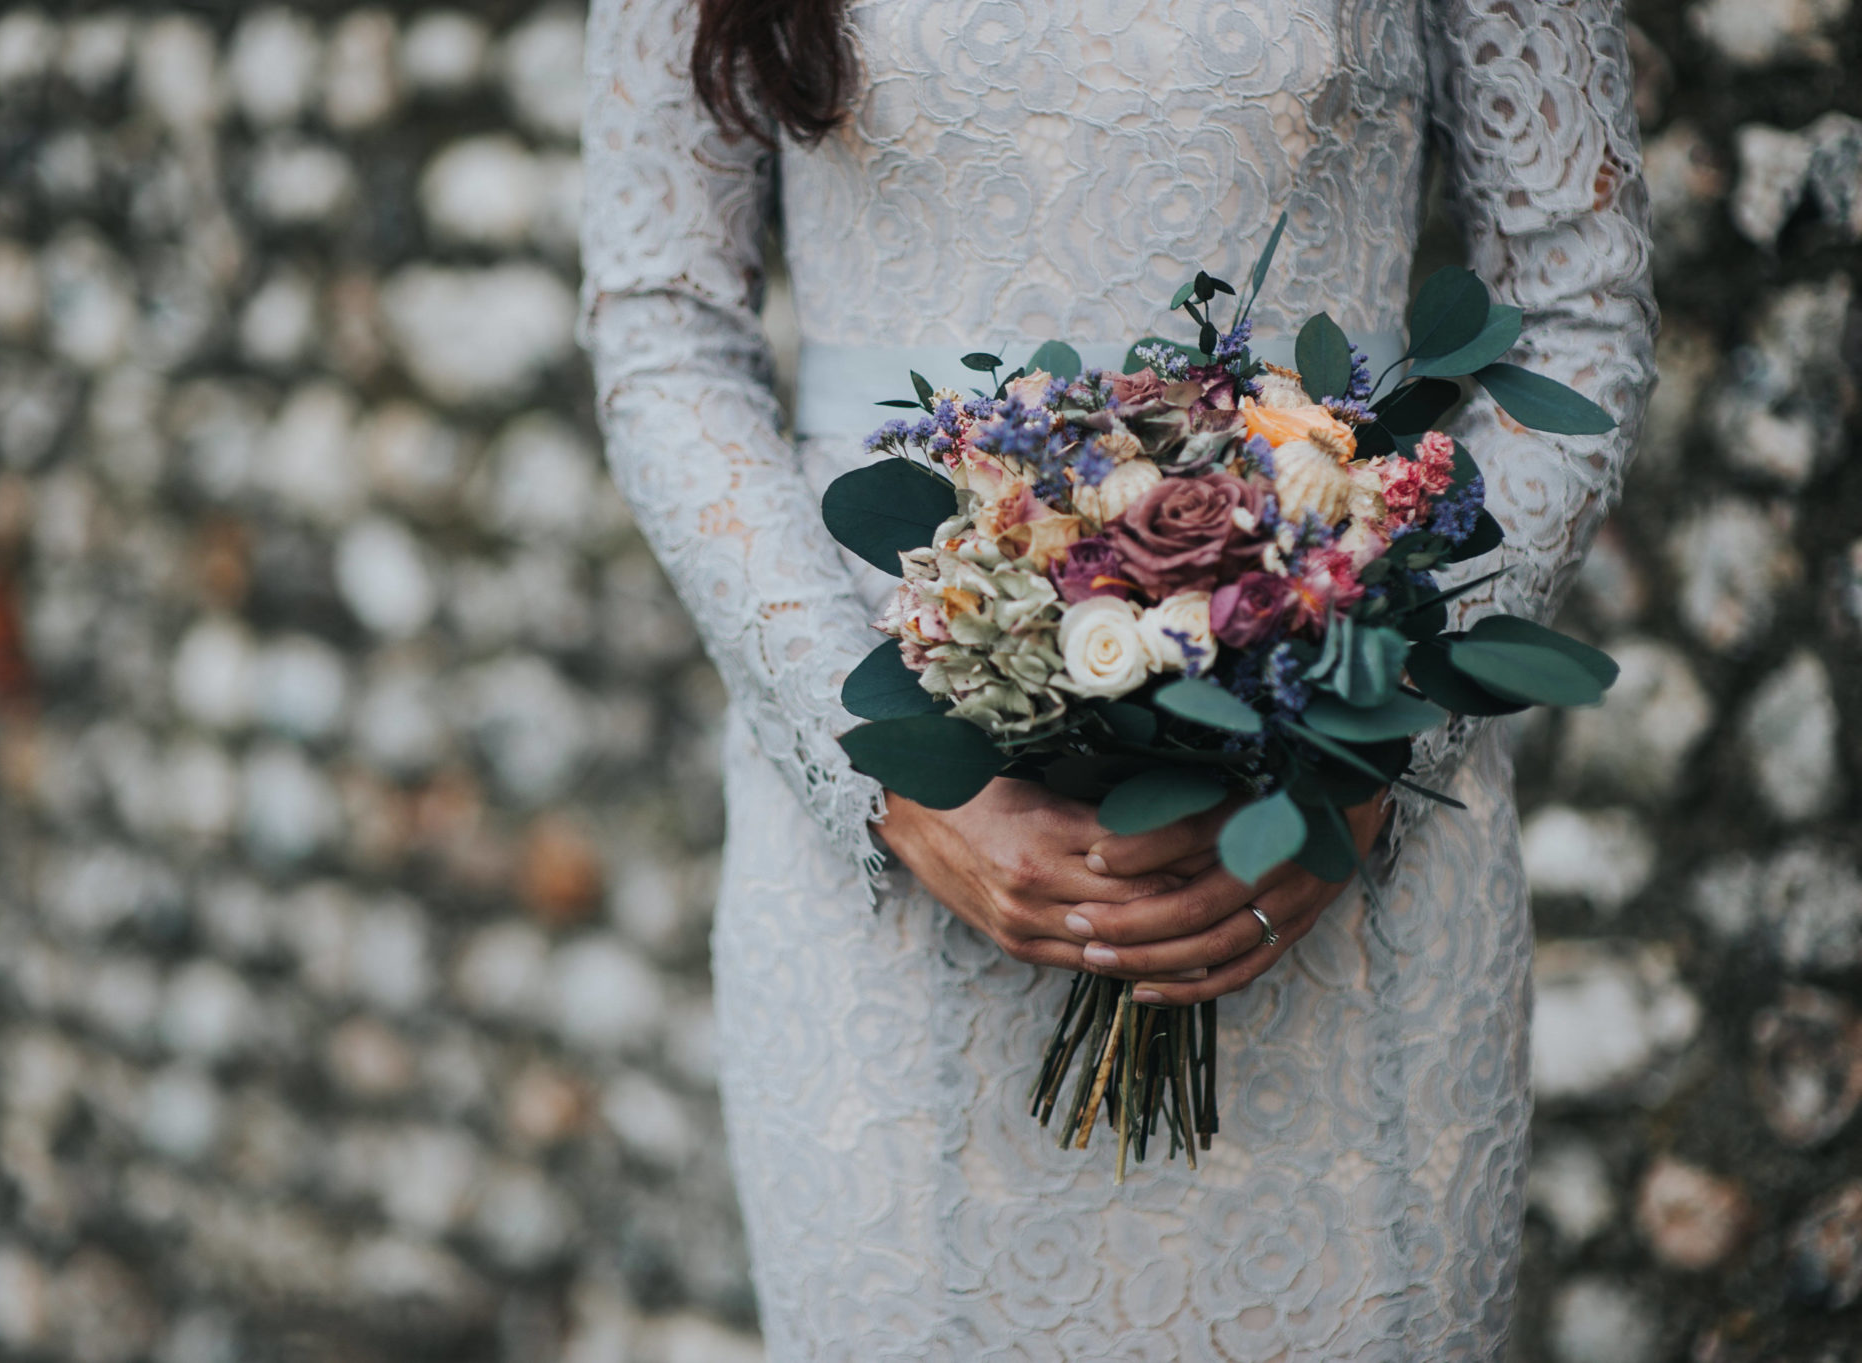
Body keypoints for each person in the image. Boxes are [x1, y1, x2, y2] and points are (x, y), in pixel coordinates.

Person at [579, 0, 1656, 1355]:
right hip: (901, 870)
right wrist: (879, 764)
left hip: (1335, 844)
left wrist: (1381, 742)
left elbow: (1577, 309)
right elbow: (662, 327)